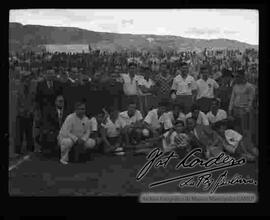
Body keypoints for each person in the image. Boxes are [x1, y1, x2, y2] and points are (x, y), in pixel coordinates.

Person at [228, 69, 255, 139]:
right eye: (235, 77)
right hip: (236, 109)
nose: (236, 78)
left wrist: (247, 110)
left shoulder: (249, 86)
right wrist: (230, 109)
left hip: (244, 111)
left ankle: (247, 144)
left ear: (243, 76)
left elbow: (251, 100)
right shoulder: (235, 86)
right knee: (236, 128)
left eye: (238, 76)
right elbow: (232, 98)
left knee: (245, 129)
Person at [15, 71, 35, 155]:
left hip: (30, 113)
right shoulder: (18, 88)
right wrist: (21, 110)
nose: (28, 79)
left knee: (29, 132)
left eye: (29, 77)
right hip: (21, 114)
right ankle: (18, 149)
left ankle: (30, 148)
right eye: (26, 77)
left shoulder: (32, 88)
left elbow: (34, 101)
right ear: (23, 78)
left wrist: (31, 110)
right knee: (20, 132)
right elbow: (16, 101)